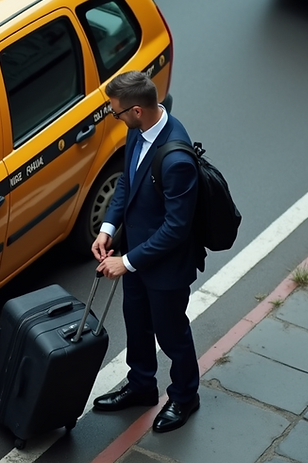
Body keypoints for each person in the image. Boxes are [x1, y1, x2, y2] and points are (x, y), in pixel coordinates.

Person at [90, 70, 205, 433]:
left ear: (137, 110)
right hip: (136, 256)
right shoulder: (136, 130)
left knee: (172, 335)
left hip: (165, 268)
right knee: (137, 325)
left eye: (117, 113)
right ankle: (142, 386)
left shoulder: (177, 161)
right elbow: (128, 178)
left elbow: (176, 228)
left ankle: (185, 396)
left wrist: (125, 262)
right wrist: (109, 228)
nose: (116, 119)